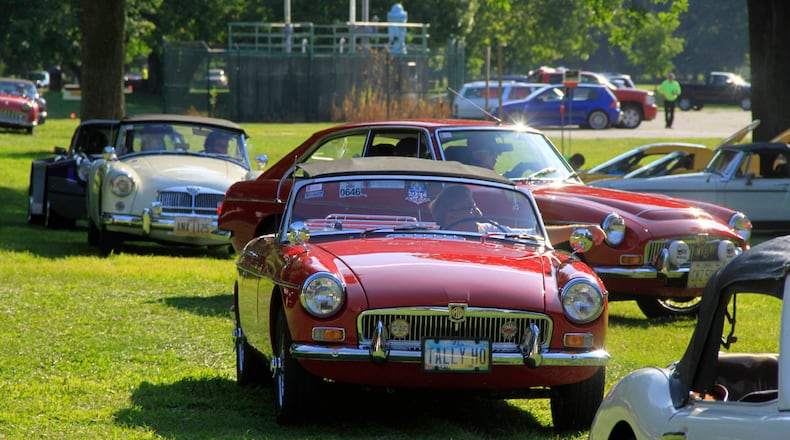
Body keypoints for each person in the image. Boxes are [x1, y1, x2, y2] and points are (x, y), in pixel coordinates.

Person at [429, 184, 606, 245]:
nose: (478, 213)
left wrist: (578, 229)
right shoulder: (435, 239)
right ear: (450, 216)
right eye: (470, 208)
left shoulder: (490, 229)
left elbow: (532, 236)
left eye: (475, 206)